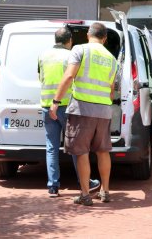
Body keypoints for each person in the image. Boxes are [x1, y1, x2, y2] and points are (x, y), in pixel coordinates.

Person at [49, 22, 117, 206]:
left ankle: (85, 195)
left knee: (82, 152)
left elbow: (69, 76)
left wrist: (55, 102)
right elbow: (112, 92)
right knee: (103, 151)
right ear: (104, 38)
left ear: (88, 34)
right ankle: (105, 191)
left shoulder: (80, 50)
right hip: (104, 111)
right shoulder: (112, 59)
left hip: (82, 109)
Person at [38, 27, 100, 197]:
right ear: (69, 40)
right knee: (75, 145)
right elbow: (75, 79)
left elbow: (41, 77)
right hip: (67, 106)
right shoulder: (70, 56)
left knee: (51, 147)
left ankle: (52, 186)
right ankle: (84, 182)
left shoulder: (43, 55)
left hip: (47, 105)